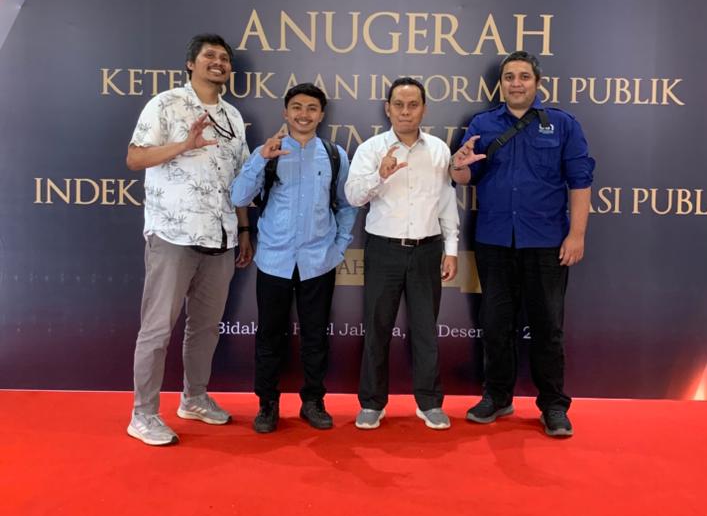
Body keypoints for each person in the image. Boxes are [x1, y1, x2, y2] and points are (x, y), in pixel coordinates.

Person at [450, 50, 595, 438]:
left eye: (524, 76)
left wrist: (577, 235)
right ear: (501, 84)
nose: (516, 83)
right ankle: (497, 397)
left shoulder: (562, 124)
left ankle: (553, 405)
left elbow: (580, 182)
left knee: (547, 328)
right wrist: (458, 165)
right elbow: (465, 177)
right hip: (494, 240)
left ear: (537, 82)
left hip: (546, 243)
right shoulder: (482, 123)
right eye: (509, 77)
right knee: (496, 325)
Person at [126, 34, 252, 446]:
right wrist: (185, 144)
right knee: (157, 329)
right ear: (190, 64)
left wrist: (243, 229)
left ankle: (194, 398)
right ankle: (143, 414)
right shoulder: (165, 104)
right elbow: (135, 157)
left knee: (205, 328)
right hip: (173, 234)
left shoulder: (233, 116)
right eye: (209, 56)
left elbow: (239, 181)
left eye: (224, 58)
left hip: (221, 236)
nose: (218, 62)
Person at [231, 83, 356, 433]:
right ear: (285, 113)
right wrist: (261, 159)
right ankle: (267, 404)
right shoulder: (267, 152)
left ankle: (313, 401)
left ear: (322, 114)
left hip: (319, 261)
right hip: (275, 259)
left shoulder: (335, 155)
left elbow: (347, 206)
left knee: (315, 336)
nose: (304, 114)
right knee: (269, 335)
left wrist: (339, 247)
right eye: (297, 107)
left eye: (312, 108)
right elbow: (238, 196)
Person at [345, 77, 459, 430]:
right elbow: (352, 196)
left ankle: (429, 402)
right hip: (383, 250)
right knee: (377, 328)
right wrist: (379, 176)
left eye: (413, 105)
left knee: (425, 330)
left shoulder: (439, 150)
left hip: (427, 249)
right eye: (398, 104)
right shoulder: (371, 149)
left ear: (424, 108)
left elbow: (446, 201)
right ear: (387, 108)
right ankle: (372, 403)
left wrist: (451, 248)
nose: (405, 111)